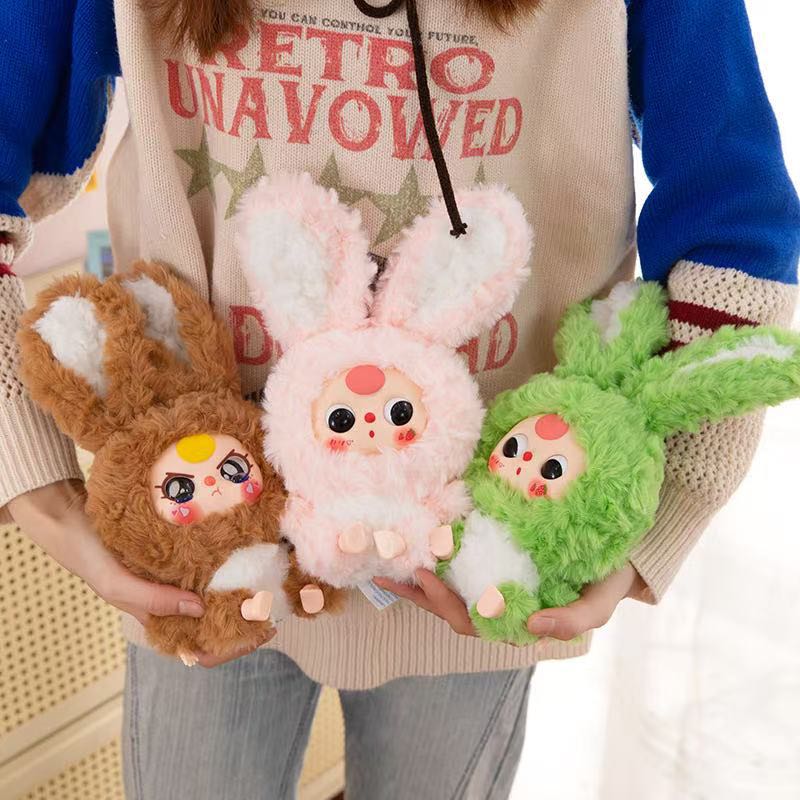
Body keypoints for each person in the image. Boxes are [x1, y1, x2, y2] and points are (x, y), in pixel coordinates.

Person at [2, 1, 797, 797]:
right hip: (199, 550)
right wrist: (35, 481)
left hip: (486, 554)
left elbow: (737, 225)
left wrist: (656, 510)